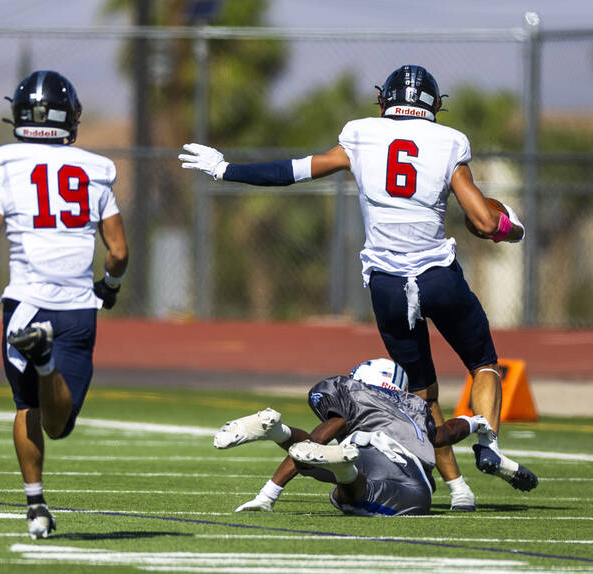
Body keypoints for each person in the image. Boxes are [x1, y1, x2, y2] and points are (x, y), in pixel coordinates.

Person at [178, 65, 536, 509]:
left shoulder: (360, 133)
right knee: (482, 363)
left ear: (383, 100)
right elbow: (484, 220)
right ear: (434, 106)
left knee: (421, 395)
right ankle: (487, 444)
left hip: (386, 284)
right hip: (436, 277)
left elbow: (296, 170)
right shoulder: (450, 141)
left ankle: (458, 489)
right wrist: (514, 228)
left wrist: (226, 169)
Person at [0, 70, 128, 539]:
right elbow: (118, 252)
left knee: (25, 407)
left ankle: (36, 507)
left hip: (25, 306)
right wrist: (110, 287)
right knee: (60, 424)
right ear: (70, 117)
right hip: (76, 307)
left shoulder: (2, 163)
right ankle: (47, 359)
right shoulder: (95, 168)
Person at [216, 358, 495, 516]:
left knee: (321, 471)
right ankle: (344, 470)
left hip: (364, 452)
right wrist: (476, 421)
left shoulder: (358, 394)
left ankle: (280, 431)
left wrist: (268, 494)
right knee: (342, 483)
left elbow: (327, 431)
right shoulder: (414, 406)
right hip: (406, 472)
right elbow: (444, 434)